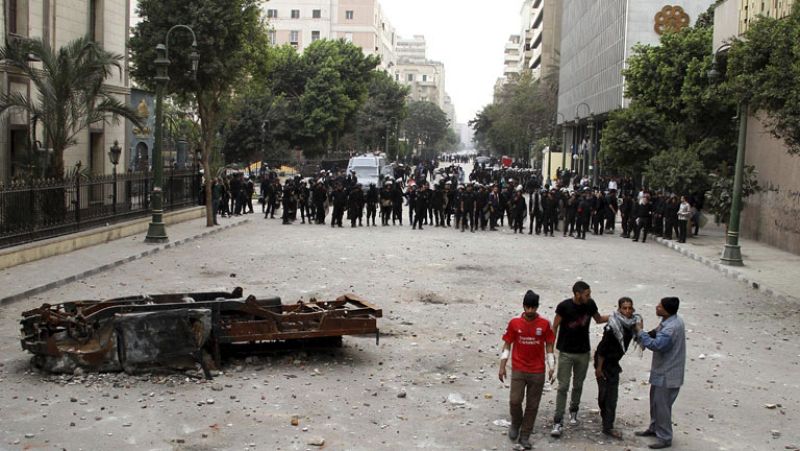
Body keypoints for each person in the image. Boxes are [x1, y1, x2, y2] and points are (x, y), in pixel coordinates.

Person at [499, 290, 556, 450]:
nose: (530, 311)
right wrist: (502, 366)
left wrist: (552, 366)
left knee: (532, 405)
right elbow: (507, 344)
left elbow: (549, 346)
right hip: (519, 368)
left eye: (533, 308)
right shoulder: (514, 323)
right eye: (527, 307)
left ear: (537, 307)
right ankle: (516, 423)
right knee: (515, 401)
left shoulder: (545, 324)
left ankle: (525, 435)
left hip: (537, 371)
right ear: (523, 306)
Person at [551, 281, 608, 438]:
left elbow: (599, 319)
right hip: (566, 352)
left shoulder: (590, 305)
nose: (589, 297)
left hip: (583, 352)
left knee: (578, 384)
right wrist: (550, 350)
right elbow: (554, 326)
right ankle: (558, 420)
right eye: (587, 294)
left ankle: (573, 410)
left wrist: (617, 316)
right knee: (563, 386)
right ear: (577, 294)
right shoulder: (564, 306)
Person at [634, 297, 686, 449]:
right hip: (661, 371)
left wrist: (640, 332)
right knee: (655, 402)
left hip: (667, 374)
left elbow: (657, 345)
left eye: (660, 306)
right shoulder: (670, 321)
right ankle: (654, 428)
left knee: (662, 406)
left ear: (666, 310)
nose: (657, 307)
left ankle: (665, 437)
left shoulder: (671, 328)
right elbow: (656, 332)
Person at [595, 297, 641, 439]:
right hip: (604, 362)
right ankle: (607, 422)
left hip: (614, 363)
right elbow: (603, 348)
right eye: (624, 308)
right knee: (604, 395)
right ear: (619, 309)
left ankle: (608, 425)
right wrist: (599, 369)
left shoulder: (633, 323)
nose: (627, 311)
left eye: (629, 308)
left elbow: (641, 332)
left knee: (611, 396)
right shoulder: (613, 325)